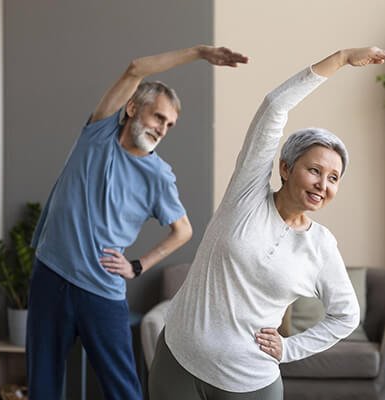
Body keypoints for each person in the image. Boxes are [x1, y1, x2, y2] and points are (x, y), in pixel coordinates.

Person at [149, 46, 385, 400]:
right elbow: (275, 105)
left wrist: (290, 349)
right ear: (285, 168)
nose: (322, 184)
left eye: (333, 178)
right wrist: (342, 58)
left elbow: (346, 315)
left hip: (248, 383)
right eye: (314, 170)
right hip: (176, 361)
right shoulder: (247, 195)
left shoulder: (320, 246)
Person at [26, 45, 249, 400]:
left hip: (100, 291)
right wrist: (200, 53)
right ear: (131, 108)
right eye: (159, 117)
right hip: (50, 276)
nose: (163, 128)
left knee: (123, 392)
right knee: (43, 386)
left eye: (169, 125)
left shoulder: (159, 176)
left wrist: (137, 265)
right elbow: (135, 68)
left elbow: (184, 231)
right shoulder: (97, 133)